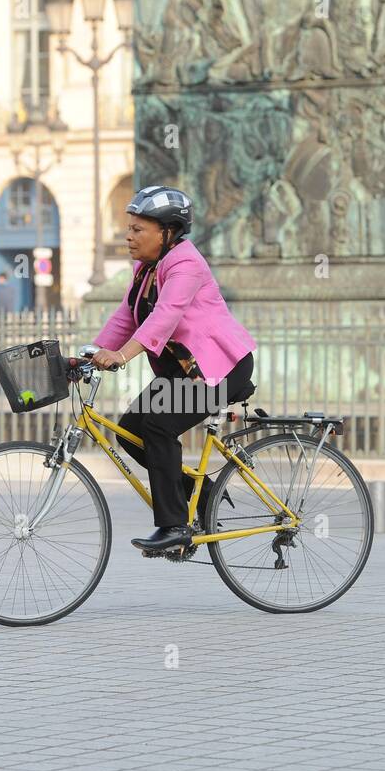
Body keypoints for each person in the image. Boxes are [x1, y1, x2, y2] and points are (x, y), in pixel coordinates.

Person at [91, 185, 258, 553]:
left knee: (157, 425)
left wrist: (122, 357)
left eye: (138, 229)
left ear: (166, 233)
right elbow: (127, 317)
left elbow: (165, 317)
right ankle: (202, 492)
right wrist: (94, 353)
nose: (128, 235)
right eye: (129, 227)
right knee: (129, 431)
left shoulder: (186, 264)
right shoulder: (145, 268)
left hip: (219, 370)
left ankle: (174, 527)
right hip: (183, 373)